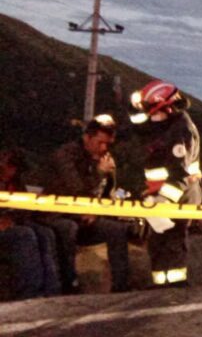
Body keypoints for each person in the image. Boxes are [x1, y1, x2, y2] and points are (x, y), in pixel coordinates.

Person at [41, 115, 135, 293]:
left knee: (117, 229)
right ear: (87, 137)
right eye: (100, 143)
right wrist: (99, 172)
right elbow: (76, 188)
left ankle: (120, 287)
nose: (104, 148)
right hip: (56, 216)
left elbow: (106, 194)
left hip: (85, 217)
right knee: (68, 228)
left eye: (107, 144)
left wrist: (109, 176)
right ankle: (69, 284)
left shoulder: (101, 158)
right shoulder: (65, 155)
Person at [131, 80, 202, 288]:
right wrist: (134, 105)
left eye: (153, 112)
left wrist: (161, 198)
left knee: (173, 238)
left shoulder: (181, 131)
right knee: (157, 241)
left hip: (180, 193)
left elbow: (179, 174)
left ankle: (176, 284)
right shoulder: (166, 124)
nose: (151, 117)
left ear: (167, 108)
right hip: (160, 193)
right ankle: (160, 283)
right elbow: (139, 127)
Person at [1, 149, 60, 299]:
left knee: (44, 233)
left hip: (11, 222)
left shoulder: (16, 182)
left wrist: (13, 218)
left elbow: (23, 207)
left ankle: (51, 289)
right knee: (25, 235)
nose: (13, 171)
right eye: (10, 166)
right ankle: (29, 291)